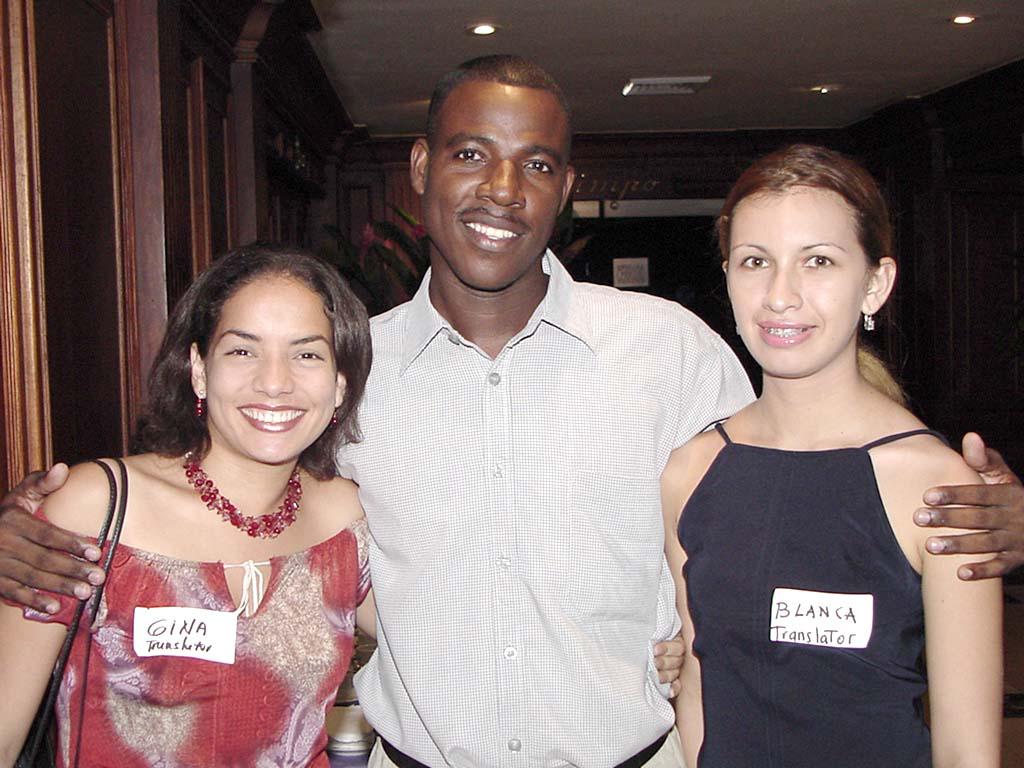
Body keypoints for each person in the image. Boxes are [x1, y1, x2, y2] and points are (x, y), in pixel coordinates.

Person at [0, 57, 1021, 768]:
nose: (502, 188)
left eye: (536, 164)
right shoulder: (339, 371)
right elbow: (224, 510)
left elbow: (808, 475)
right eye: (469, 154)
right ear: (419, 170)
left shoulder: (671, 351)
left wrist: (990, 514)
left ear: (565, 187)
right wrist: (35, 529)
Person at [663, 145, 1002, 767]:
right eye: (756, 261)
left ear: (875, 284)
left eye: (817, 260)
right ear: (728, 277)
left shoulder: (935, 486)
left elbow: (967, 751)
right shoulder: (691, 471)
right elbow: (699, 691)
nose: (780, 295)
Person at [0, 244, 375, 767]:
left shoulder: (345, 522)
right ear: (199, 369)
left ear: (339, 385)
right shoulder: (96, 508)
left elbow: (446, 642)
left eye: (307, 354)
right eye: (242, 351)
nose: (274, 382)